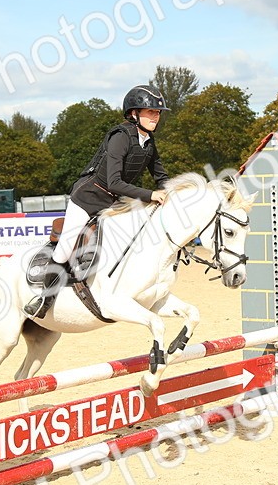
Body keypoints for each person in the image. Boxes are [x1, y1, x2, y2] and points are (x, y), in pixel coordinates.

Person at [23, 84, 171, 318]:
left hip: (115, 203)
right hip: (89, 198)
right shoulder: (120, 137)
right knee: (65, 248)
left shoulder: (148, 143)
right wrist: (151, 195)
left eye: (158, 113)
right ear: (134, 114)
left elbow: (161, 177)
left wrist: (173, 195)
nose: (156, 117)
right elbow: (113, 182)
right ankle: (44, 300)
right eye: (151, 112)